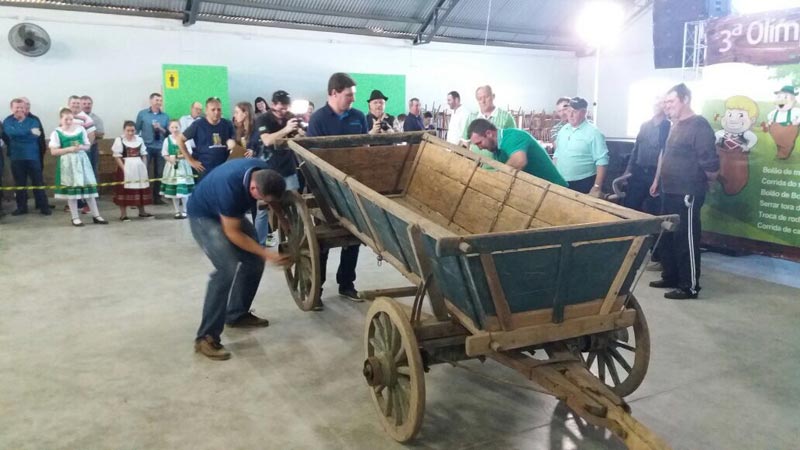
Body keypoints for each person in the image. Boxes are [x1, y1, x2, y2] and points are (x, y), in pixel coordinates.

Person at [187, 157, 290, 360]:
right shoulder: (231, 189)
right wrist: (267, 253)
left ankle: (236, 314)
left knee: (253, 261)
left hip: (227, 212)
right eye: (263, 199)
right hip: (204, 215)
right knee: (226, 268)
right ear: (253, 189)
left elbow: (273, 198)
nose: (265, 203)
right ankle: (205, 338)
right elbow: (233, 233)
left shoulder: (265, 173)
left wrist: (283, 219)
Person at [649, 83, 719, 300]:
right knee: (668, 236)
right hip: (668, 190)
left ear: (685, 99)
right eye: (665, 102)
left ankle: (689, 286)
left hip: (687, 192)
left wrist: (705, 180)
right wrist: (657, 180)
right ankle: (671, 276)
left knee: (685, 239)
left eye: (671, 101)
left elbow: (710, 162)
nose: (666, 105)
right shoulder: (674, 124)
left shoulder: (699, 125)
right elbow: (666, 155)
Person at [307, 72, 368, 303]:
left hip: (352, 185)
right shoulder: (318, 119)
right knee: (322, 241)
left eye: (353, 95)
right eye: (348, 95)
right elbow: (314, 155)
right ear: (333, 93)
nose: (352, 99)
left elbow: (364, 149)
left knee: (355, 236)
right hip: (325, 188)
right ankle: (317, 288)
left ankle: (346, 284)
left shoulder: (359, 117)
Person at [254, 90, 303, 246]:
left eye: (286, 108)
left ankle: (296, 238)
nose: (283, 112)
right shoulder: (263, 118)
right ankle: (259, 243)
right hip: (268, 170)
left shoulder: (290, 117)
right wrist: (286, 130)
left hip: (288, 167)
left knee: (295, 205)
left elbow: (299, 138)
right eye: (280, 108)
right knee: (263, 209)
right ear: (273, 104)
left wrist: (300, 133)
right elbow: (267, 140)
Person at [49, 108, 108, 227]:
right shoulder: (57, 132)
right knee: (72, 192)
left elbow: (87, 146)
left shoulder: (80, 129)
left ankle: (96, 215)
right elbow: (53, 152)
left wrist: (80, 147)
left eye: (71, 119)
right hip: (68, 163)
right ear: (61, 119)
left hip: (82, 161)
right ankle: (75, 217)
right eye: (66, 119)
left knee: (89, 189)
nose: (69, 121)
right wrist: (68, 149)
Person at [466, 119, 568, 186]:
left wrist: (494, 179)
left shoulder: (513, 136)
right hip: (541, 191)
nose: (479, 148)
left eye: (479, 143)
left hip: (557, 191)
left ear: (489, 133)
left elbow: (519, 161)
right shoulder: (496, 151)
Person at [2, 98, 51, 216]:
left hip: (33, 156)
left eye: (22, 107)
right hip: (16, 157)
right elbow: (10, 134)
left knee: (38, 182)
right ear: (11, 108)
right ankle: (22, 207)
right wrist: (27, 132)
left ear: (26, 108)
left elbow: (36, 136)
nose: (19, 109)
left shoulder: (33, 121)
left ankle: (44, 206)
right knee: (20, 183)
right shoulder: (7, 121)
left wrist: (19, 133)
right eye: (16, 107)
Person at [553, 97, 609, 197]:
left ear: (583, 113)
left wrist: (596, 187)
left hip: (583, 182)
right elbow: (557, 154)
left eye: (574, 111)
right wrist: (553, 176)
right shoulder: (563, 130)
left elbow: (602, 161)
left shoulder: (594, 133)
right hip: (561, 181)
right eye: (569, 111)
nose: (570, 115)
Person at [624, 96, 670, 214]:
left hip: (655, 174)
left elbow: (664, 154)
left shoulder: (668, 127)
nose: (656, 105)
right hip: (638, 172)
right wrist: (628, 171)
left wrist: (657, 180)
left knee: (653, 210)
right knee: (629, 207)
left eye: (660, 103)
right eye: (655, 102)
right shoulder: (644, 125)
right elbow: (636, 149)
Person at [178, 97, 236, 181]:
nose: (216, 112)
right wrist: (190, 161)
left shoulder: (228, 124)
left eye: (219, 109)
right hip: (205, 169)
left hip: (224, 168)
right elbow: (179, 140)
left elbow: (236, 142)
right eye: (213, 110)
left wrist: (233, 144)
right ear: (206, 111)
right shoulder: (198, 125)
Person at [111, 120, 153, 221]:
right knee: (124, 190)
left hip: (139, 168)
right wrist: (124, 169)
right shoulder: (119, 140)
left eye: (132, 130)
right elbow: (117, 156)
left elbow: (143, 154)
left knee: (140, 188)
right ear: (124, 130)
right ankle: (123, 214)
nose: (130, 133)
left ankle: (142, 211)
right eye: (128, 130)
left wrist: (144, 166)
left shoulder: (139, 139)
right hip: (126, 167)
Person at [462, 86, 516, 158]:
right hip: (475, 165)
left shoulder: (506, 117)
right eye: (480, 99)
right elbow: (465, 142)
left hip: (498, 166)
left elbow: (513, 143)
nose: (483, 101)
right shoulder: (471, 117)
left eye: (486, 97)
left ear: (493, 96)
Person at [135, 93, 169, 204]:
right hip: (146, 147)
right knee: (144, 171)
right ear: (151, 101)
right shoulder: (142, 114)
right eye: (156, 100)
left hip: (160, 147)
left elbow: (168, 133)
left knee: (159, 172)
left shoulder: (165, 116)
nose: (159, 102)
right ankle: (143, 197)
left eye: (160, 100)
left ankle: (157, 197)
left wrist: (160, 128)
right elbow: (136, 130)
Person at [161, 120, 195, 219]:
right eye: (172, 127)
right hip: (172, 167)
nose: (175, 129)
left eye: (176, 127)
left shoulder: (185, 139)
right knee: (174, 191)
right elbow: (164, 153)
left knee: (183, 190)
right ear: (169, 129)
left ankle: (185, 210)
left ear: (180, 127)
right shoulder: (167, 140)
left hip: (183, 166)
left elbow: (189, 152)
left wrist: (179, 156)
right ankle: (176, 211)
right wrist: (170, 159)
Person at [81, 95, 104, 176]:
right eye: (84, 104)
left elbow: (101, 134)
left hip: (92, 148)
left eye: (89, 103)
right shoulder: (74, 117)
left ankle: (94, 189)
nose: (87, 105)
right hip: (77, 148)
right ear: (80, 105)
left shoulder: (96, 119)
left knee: (93, 170)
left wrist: (88, 133)